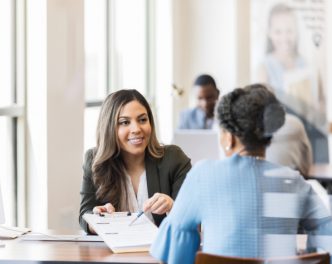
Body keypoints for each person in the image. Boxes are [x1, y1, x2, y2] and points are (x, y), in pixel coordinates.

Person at [150, 84, 332, 264]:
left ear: (229, 137)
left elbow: (174, 247)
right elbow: (327, 232)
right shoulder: (293, 181)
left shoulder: (203, 175)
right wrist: (306, 253)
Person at [79, 89, 191, 234]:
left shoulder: (173, 158)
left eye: (142, 120)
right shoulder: (94, 160)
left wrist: (172, 207)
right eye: (125, 122)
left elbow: (194, 218)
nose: (136, 129)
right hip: (114, 253)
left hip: (161, 252)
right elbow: (84, 216)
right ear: (109, 128)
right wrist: (98, 218)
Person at [257, 3, 328, 163]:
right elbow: (262, 108)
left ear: (296, 31)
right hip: (283, 139)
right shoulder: (265, 66)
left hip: (313, 134)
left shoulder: (308, 64)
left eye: (289, 31)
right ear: (269, 33)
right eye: (278, 31)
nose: (285, 38)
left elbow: (322, 101)